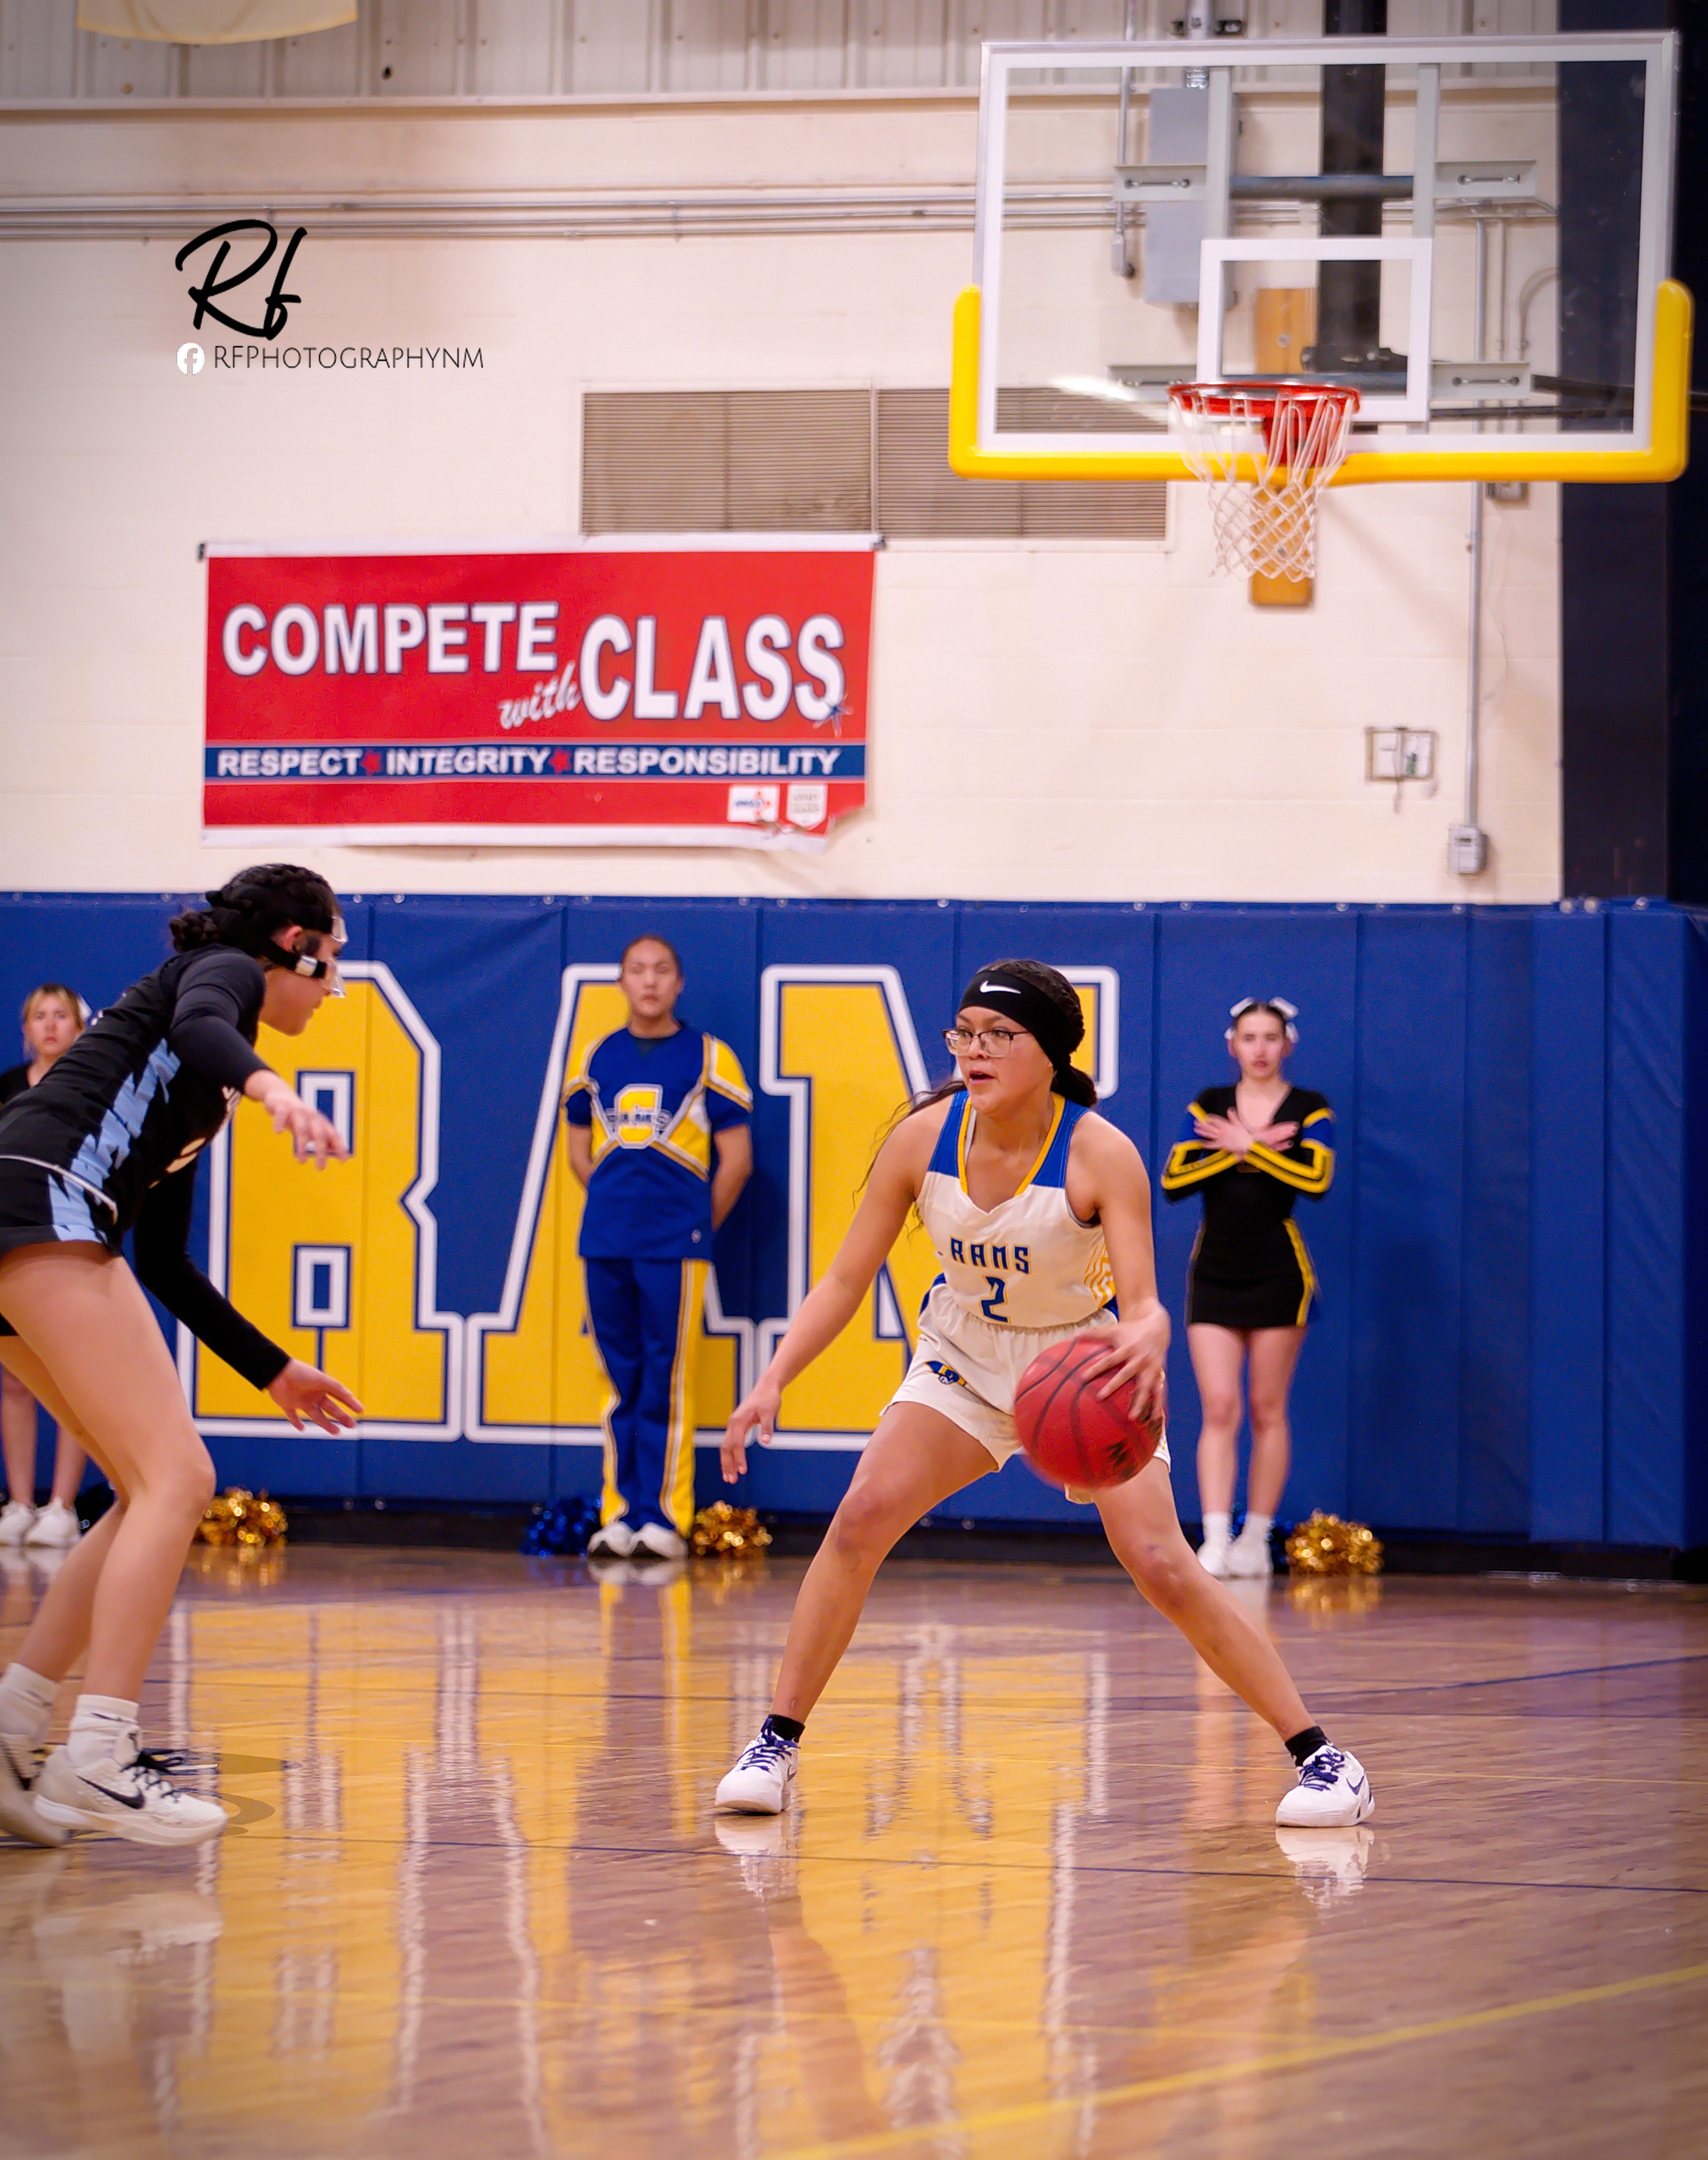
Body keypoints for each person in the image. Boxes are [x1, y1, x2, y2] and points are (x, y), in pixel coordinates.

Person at [712, 961, 1370, 1830]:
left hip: (1084, 1366)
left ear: (1051, 1055)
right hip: (962, 1356)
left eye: (998, 1036)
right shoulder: (922, 1138)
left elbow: (1141, 1304)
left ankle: (1326, 1760)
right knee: (862, 1514)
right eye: (964, 1034)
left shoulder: (1100, 1151)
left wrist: (1146, 1333)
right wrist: (772, 1379)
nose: (974, 1051)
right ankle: (775, 1743)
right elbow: (843, 1278)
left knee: (1163, 1565)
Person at [0, 867, 362, 1849]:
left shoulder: (195, 1095)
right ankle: (103, 1751)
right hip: (42, 1197)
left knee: (137, 1490)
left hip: (30, 1213)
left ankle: (14, 1732)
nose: (333, 990)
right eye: (331, 963)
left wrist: (271, 1367)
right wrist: (275, 1088)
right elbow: (210, 1021)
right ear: (293, 942)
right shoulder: (218, 978)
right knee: (181, 1476)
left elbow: (162, 1258)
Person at [564, 935, 752, 1563]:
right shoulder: (594, 1058)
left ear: (679, 983)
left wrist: (693, 1222)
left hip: (676, 1245)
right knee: (617, 1379)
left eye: (661, 970)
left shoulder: (708, 1057)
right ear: (621, 981)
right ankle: (619, 1513)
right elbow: (578, 1153)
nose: (649, 982)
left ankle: (664, 1518)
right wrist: (620, 1205)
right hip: (606, 1240)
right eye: (636, 971)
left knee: (666, 1379)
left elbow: (737, 1162)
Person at [1160, 997, 1335, 1580]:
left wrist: (1240, 1145)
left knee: (1266, 1407)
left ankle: (1255, 1539)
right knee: (1219, 1407)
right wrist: (1257, 1146)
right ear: (1231, 1044)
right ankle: (1213, 1536)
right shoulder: (1207, 1103)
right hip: (1214, 1270)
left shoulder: (1310, 1108)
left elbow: (1316, 1177)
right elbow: (1174, 1178)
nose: (1259, 1048)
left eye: (1270, 1037)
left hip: (1279, 1271)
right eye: (1248, 1037)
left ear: (1288, 1044)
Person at [0, 986, 92, 1552]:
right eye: (41, 1016)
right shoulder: (8, 1089)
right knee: (15, 1376)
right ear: (25, 1027)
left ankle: (63, 1504)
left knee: (71, 1379)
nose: (51, 1026)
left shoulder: (87, 1089)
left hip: (69, 1242)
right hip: (12, 1244)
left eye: (63, 1016)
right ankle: (19, 1501)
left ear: (81, 1027)